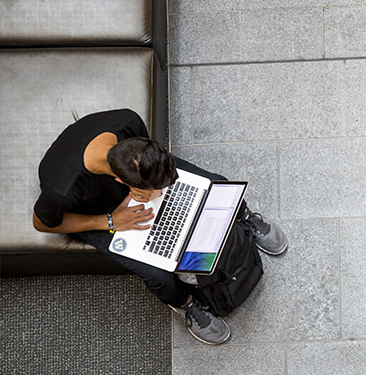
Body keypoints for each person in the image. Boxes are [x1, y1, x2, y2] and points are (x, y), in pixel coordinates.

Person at [32, 108, 287, 345]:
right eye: (157, 190)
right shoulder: (62, 190)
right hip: (99, 213)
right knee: (159, 275)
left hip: (139, 179)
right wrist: (110, 221)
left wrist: (156, 187)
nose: (161, 193)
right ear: (121, 180)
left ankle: (244, 217)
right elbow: (41, 223)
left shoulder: (127, 122)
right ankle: (185, 304)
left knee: (216, 184)